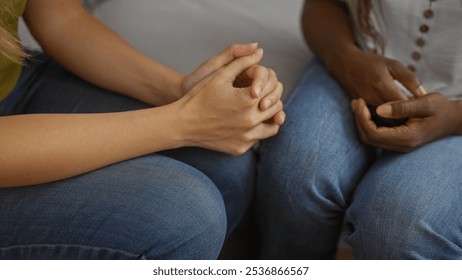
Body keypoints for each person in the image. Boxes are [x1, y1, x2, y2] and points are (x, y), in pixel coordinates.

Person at [0, 0, 285, 259]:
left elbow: (60, 18)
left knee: (227, 166)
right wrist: (184, 121)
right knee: (184, 216)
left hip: (14, 77)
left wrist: (184, 92)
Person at [255, 0, 462, 259]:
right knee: (296, 168)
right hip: (355, 58)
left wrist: (453, 117)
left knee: (399, 226)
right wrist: (345, 59)